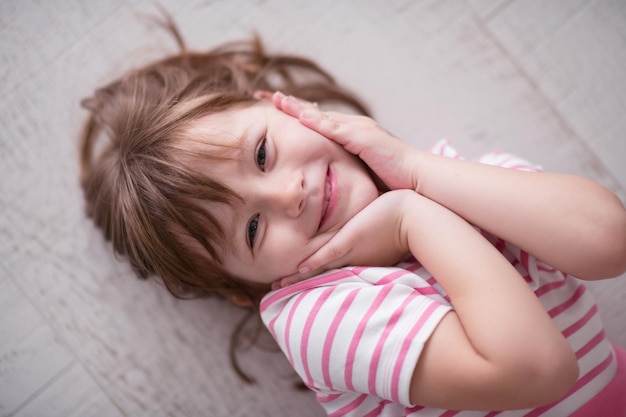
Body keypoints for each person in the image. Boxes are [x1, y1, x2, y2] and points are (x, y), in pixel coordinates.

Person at [79, 17, 626, 417]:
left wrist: (415, 173)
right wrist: (410, 216)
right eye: (252, 228)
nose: (289, 194)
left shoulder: (447, 177)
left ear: (279, 103)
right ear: (248, 291)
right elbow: (539, 371)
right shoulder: (318, 315)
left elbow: (608, 240)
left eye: (263, 154)